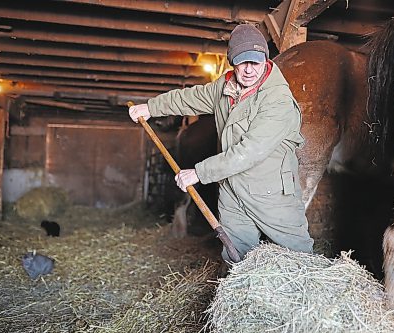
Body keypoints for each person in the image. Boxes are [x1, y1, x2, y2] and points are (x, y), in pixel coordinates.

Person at [129, 24, 314, 263]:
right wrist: (151, 107)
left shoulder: (277, 101)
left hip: (271, 193)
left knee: (298, 257)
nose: (248, 70)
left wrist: (199, 172)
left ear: (265, 61)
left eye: (255, 62)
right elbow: (191, 98)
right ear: (232, 61)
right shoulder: (225, 87)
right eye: (242, 61)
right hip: (231, 190)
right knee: (235, 256)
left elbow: (248, 152)